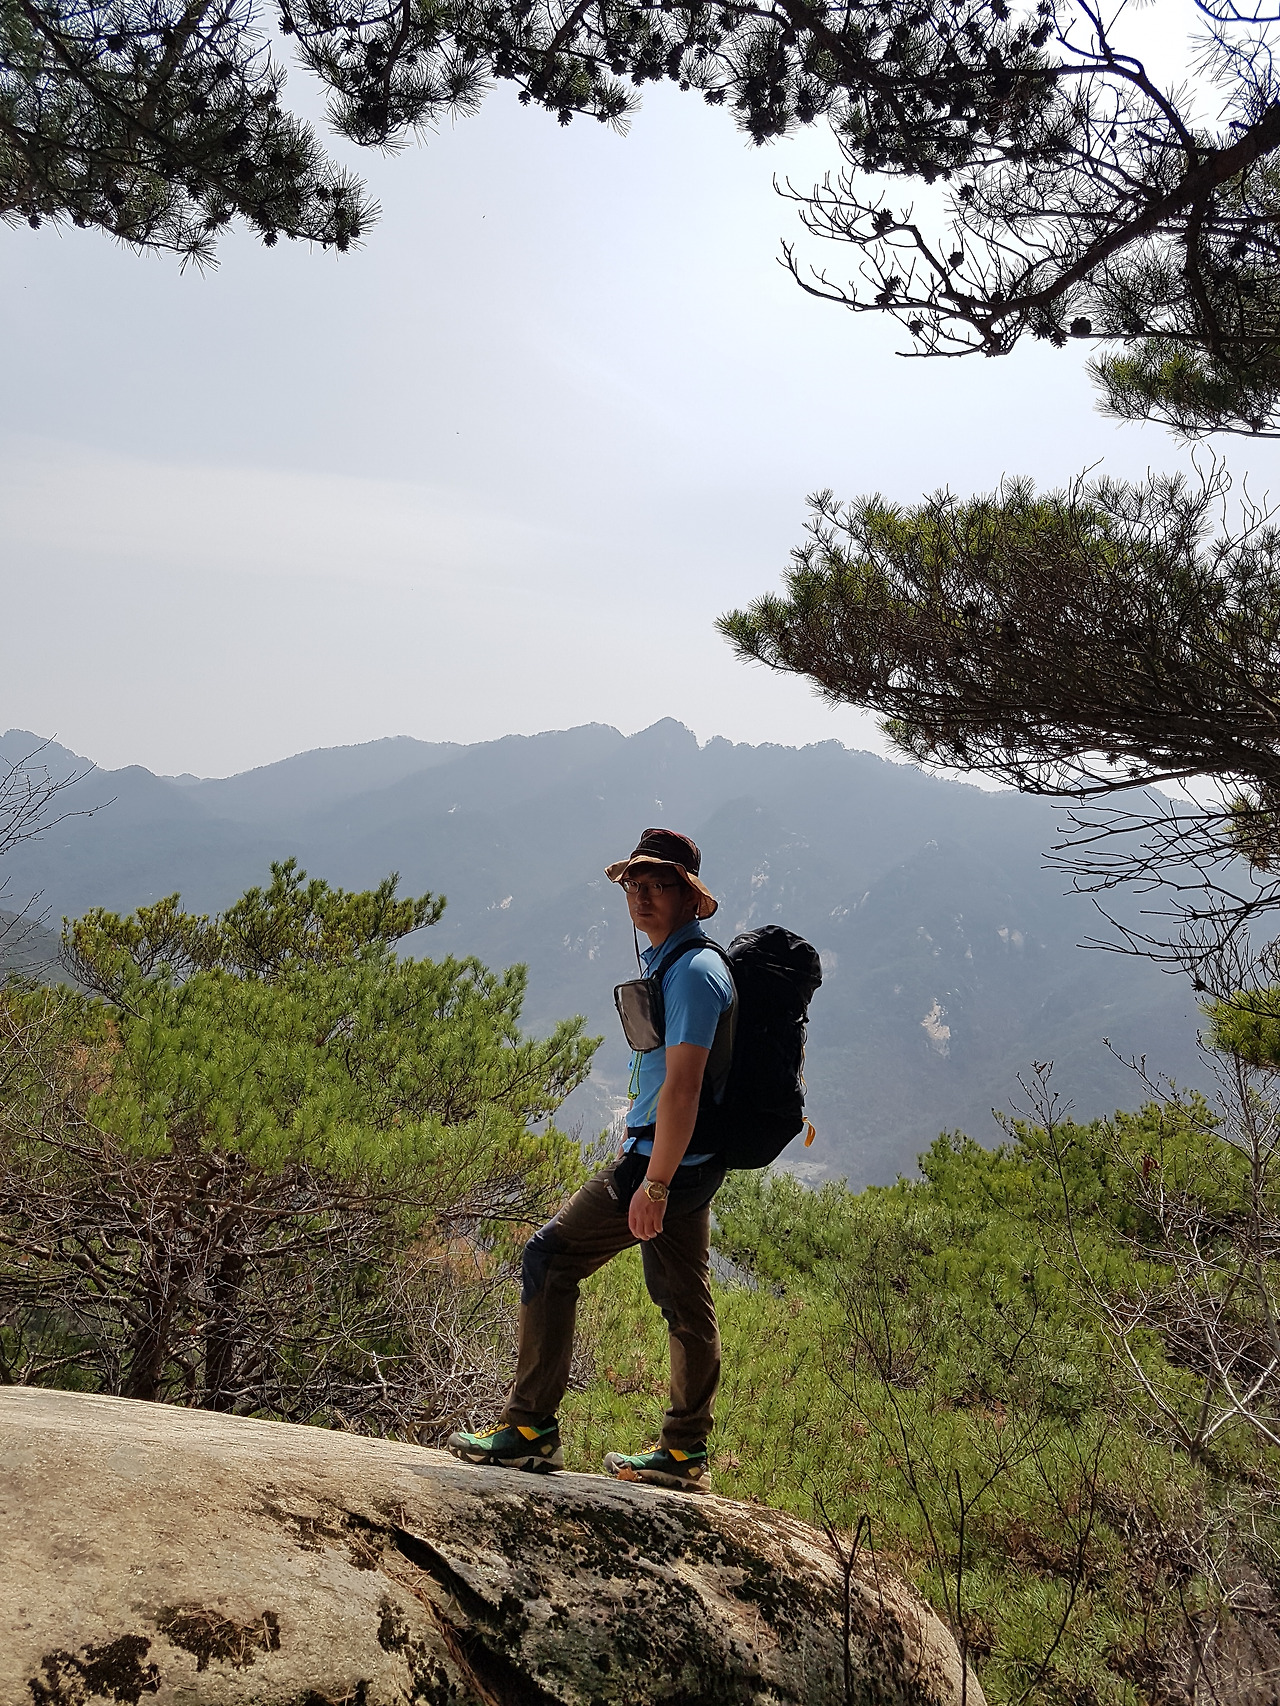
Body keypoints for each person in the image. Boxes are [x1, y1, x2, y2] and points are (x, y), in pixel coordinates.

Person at [446, 827, 735, 1491]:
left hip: (662, 1161)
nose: (641, 895)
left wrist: (654, 1184)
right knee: (684, 1301)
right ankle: (684, 1453)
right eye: (635, 884)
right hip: (684, 1161)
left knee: (550, 1257)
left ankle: (529, 1430)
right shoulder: (673, 962)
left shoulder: (694, 972)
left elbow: (684, 1088)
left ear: (689, 896)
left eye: (658, 884)